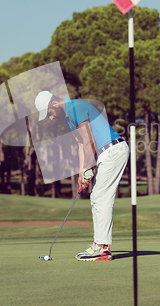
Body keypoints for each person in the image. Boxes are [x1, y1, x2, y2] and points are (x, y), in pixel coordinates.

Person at [35, 91, 129, 261]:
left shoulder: (75, 108)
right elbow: (80, 144)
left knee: (101, 197)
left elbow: (90, 141)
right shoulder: (68, 118)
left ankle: (102, 248)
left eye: (48, 113)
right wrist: (81, 173)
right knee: (97, 197)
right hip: (104, 154)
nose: (49, 118)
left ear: (54, 103)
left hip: (112, 150)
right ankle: (98, 245)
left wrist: (88, 169)